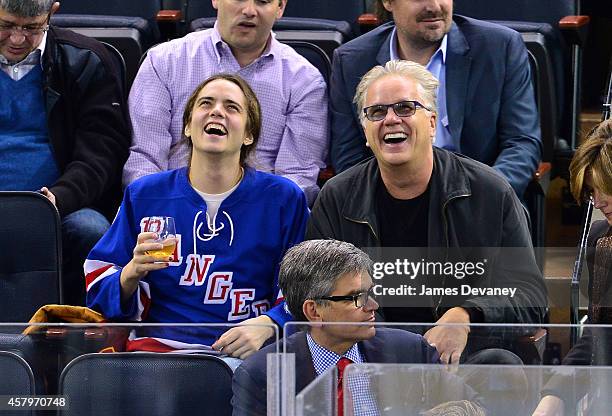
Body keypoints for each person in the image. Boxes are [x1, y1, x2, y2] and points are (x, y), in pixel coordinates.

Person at [307, 60, 547, 364]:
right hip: (369, 355)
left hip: (462, 355)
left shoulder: (490, 191)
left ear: (432, 123)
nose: (391, 119)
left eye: (406, 108)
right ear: (365, 132)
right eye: (377, 112)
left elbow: (530, 297)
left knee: (499, 364)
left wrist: (466, 315)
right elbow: (315, 296)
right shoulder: (336, 198)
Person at [85, 74, 309, 358]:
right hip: (158, 353)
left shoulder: (284, 199)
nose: (217, 111)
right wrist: (131, 272)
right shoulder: (145, 194)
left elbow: (308, 290)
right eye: (206, 103)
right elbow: (97, 289)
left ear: (249, 134)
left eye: (232, 107)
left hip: (249, 353)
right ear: (188, 126)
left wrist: (271, 323)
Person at [123, 0, 328, 206]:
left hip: (261, 216)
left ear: (280, 7)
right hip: (172, 209)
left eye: (263, 1)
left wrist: (257, 219)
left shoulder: (305, 80)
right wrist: (160, 214)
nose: (249, 11)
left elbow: (296, 177)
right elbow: (146, 160)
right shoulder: (164, 61)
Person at [329, 0, 541, 198]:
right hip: (389, 201)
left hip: (479, 197)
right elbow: (348, 157)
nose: (434, 6)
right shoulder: (351, 61)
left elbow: (521, 143)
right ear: (388, 2)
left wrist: (482, 196)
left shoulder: (499, 47)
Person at [0, 0, 130, 306]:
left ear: (52, 12)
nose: (17, 39)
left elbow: (102, 152)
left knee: (92, 230)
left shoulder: (87, 60)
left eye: (32, 28)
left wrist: (59, 198)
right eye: (5, 25)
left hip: (59, 207)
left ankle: (75, 338)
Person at [232, 239, 441, 416]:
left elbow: (466, 406)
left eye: (370, 293)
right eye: (357, 298)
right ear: (314, 311)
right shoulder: (261, 374)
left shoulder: (413, 351)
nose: (373, 306)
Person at [532, 119, 612, 416]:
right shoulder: (601, 243)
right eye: (592, 191)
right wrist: (554, 396)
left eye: (606, 188)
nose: (599, 201)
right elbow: (597, 335)